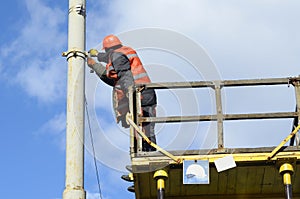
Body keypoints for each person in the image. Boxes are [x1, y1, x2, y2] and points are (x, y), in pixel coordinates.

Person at [87, 34, 157, 152]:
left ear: (108, 49)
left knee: (141, 127)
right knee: (146, 126)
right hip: (146, 92)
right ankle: (148, 152)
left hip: (139, 94)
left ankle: (145, 153)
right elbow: (111, 60)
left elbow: (124, 76)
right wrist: (97, 56)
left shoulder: (116, 56)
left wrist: (131, 95)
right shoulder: (124, 51)